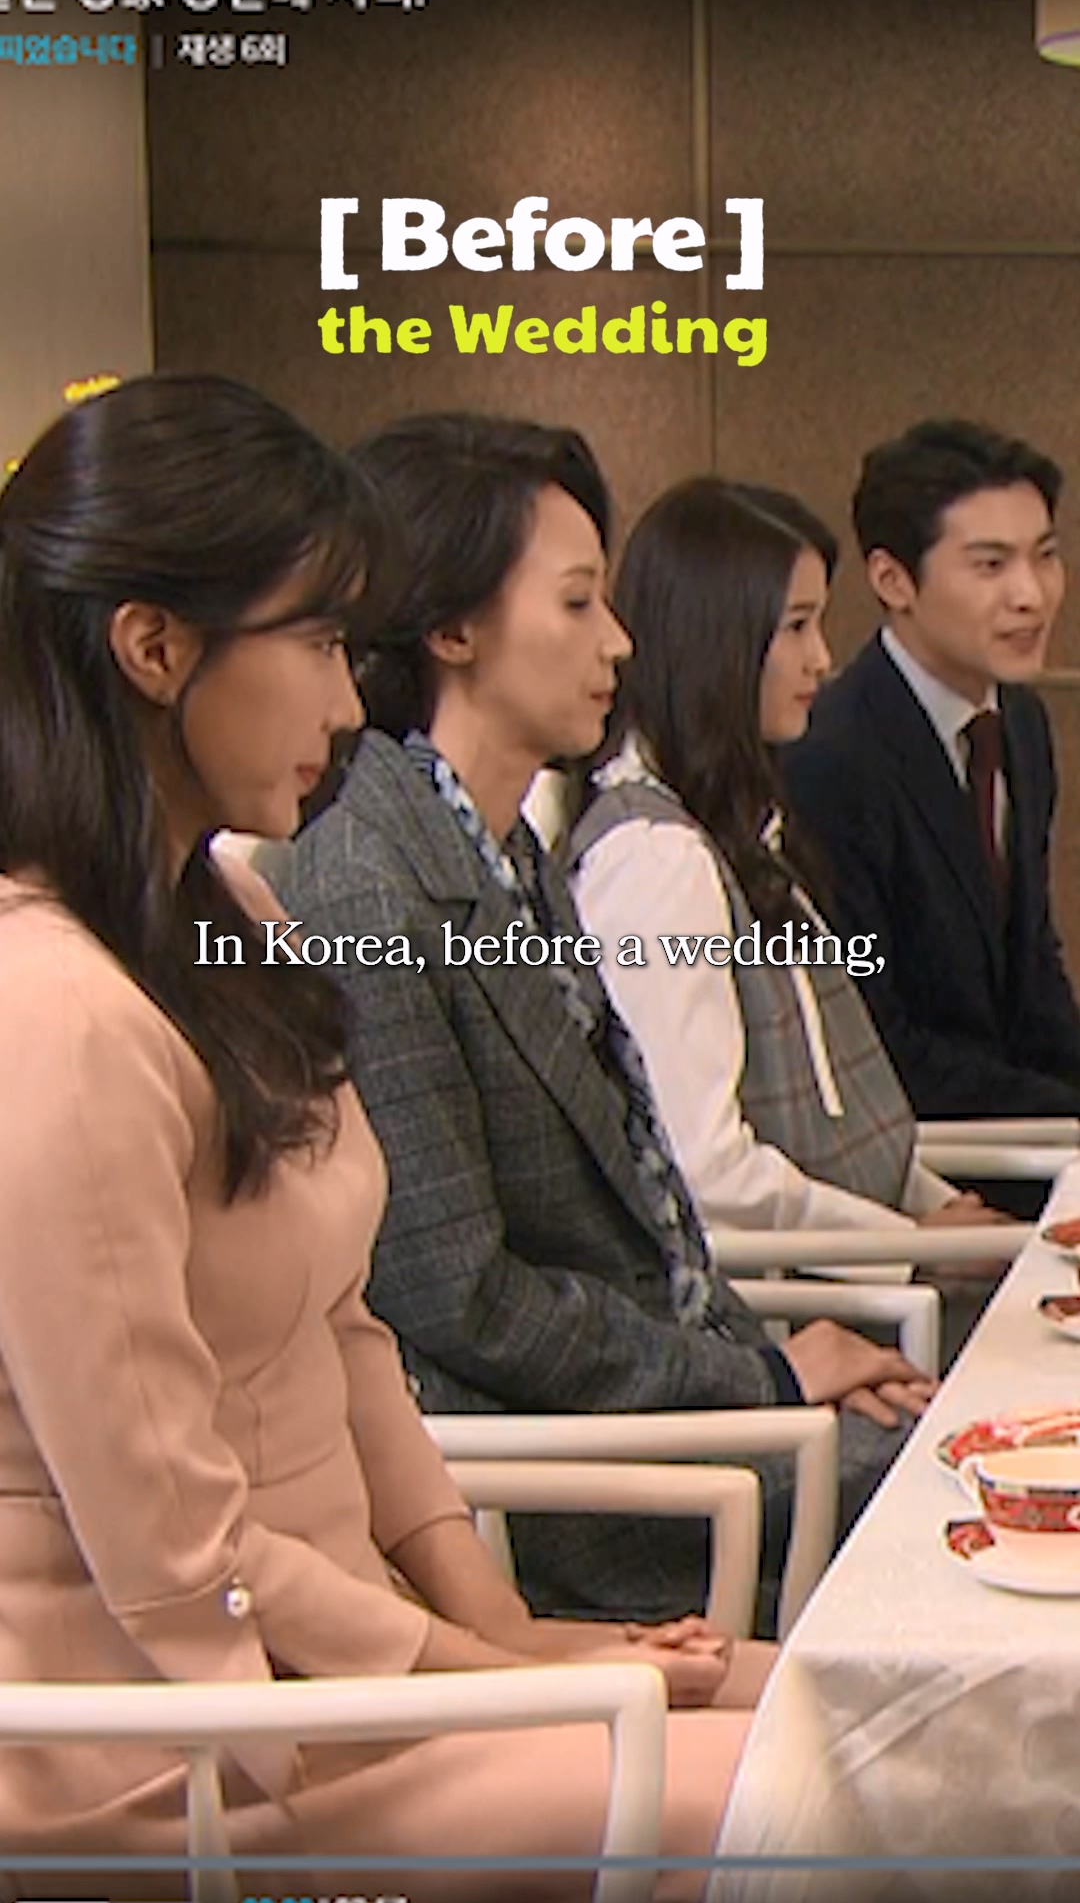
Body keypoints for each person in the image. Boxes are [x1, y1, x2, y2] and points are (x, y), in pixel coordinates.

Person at [0, 374, 771, 1903]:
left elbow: (348, 1333)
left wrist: (491, 1621)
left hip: (340, 1670)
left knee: (843, 1698)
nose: (354, 706)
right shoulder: (54, 1015)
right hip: (176, 1745)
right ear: (155, 648)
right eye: (314, 646)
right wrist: (481, 1665)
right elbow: (173, 1559)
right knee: (823, 1790)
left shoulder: (236, 926)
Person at [264, 412, 936, 1641]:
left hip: (671, 1420)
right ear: (451, 628)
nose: (618, 642)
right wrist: (767, 1376)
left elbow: (647, 1218)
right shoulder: (369, 877)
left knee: (965, 1448)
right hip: (563, 1492)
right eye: (577, 605)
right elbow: (458, 1296)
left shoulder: (504, 844)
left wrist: (775, 1355)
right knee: (961, 1502)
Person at [567, 478, 1003, 1284]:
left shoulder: (735, 828)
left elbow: (836, 1113)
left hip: (863, 1275)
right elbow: (703, 1169)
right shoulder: (656, 863)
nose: (822, 659)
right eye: (796, 626)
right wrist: (909, 1247)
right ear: (719, 640)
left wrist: (938, 1218)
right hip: (805, 1312)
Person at [784, 418, 1080, 1128]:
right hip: (921, 1160)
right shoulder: (830, 755)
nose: (1031, 595)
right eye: (990, 565)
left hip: (1025, 1132)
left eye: (1044, 556)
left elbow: (1032, 978)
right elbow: (876, 1041)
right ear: (893, 580)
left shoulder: (1022, 723)